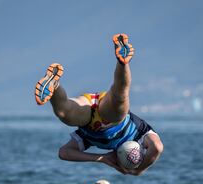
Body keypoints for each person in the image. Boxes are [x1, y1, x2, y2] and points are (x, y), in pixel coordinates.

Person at [34, 33, 163, 175]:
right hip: (113, 117)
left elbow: (64, 152)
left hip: (88, 116)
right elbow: (157, 147)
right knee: (120, 94)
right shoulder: (140, 133)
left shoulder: (88, 139)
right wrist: (139, 170)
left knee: (64, 113)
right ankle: (122, 61)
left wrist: (101, 158)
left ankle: (53, 85)